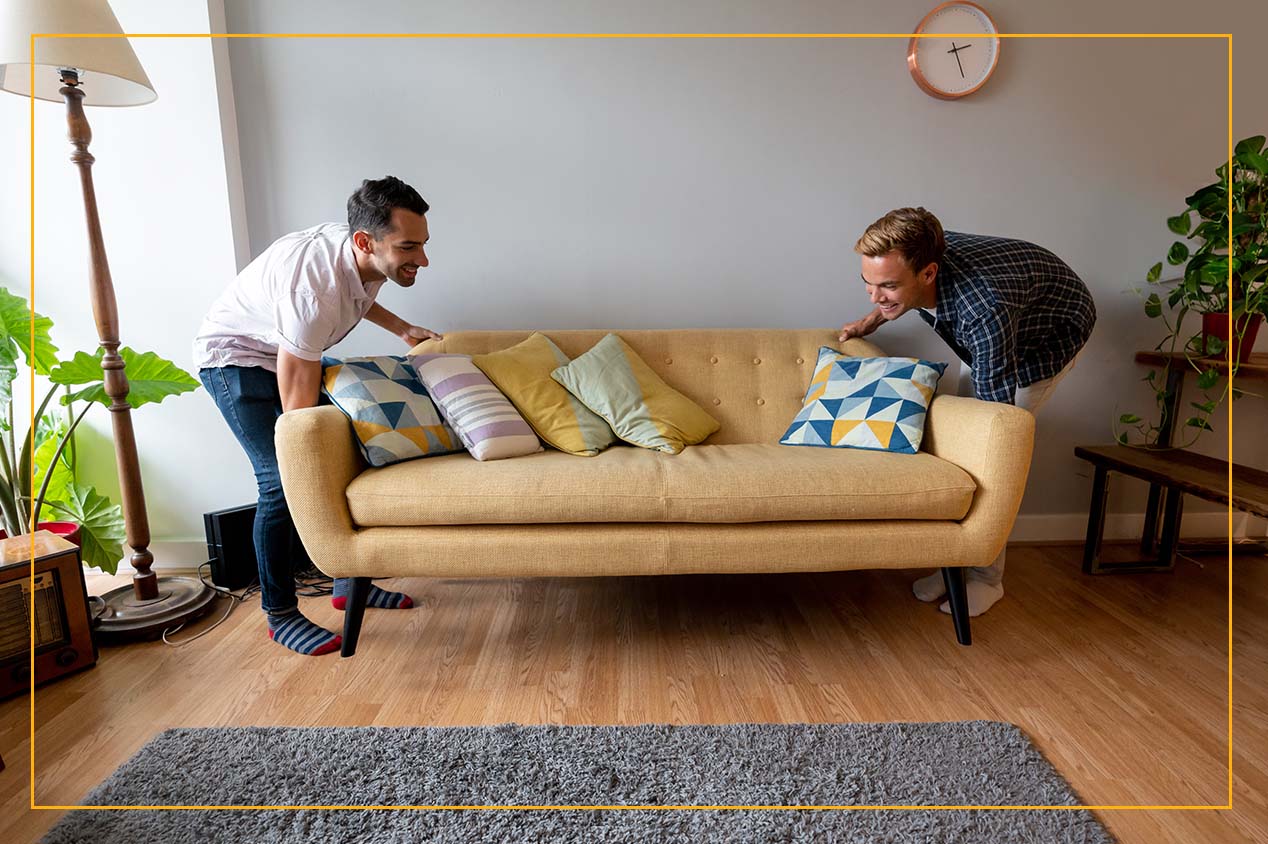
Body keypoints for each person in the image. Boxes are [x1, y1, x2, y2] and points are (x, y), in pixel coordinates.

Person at [193, 176, 443, 654]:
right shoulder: (311, 290)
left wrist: (402, 327)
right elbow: (297, 397)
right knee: (285, 480)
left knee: (351, 458)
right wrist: (306, 451)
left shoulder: (353, 250)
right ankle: (280, 614)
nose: (423, 259)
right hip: (237, 360)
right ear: (366, 241)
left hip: (287, 348)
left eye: (424, 244)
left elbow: (360, 289)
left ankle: (350, 585)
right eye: (409, 247)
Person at [838, 207, 1095, 617]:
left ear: (928, 274)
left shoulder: (983, 311)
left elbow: (997, 431)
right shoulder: (920, 242)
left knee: (989, 454)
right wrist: (874, 319)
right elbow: (885, 290)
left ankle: (985, 579)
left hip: (1044, 338)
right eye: (867, 282)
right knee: (952, 444)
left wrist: (987, 442)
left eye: (887, 286)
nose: (874, 294)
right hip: (1001, 320)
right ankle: (954, 566)